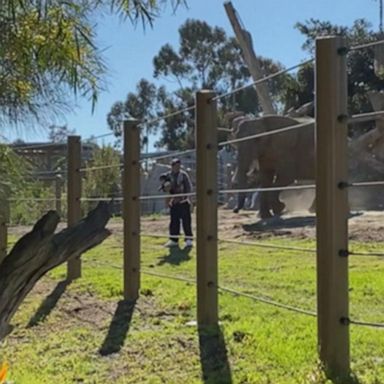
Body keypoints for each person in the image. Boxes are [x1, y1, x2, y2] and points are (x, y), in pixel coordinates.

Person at [159, 158, 193, 248]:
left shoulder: (183, 175)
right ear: (172, 166)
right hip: (173, 202)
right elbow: (164, 188)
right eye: (175, 165)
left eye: (178, 165)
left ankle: (189, 240)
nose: (177, 167)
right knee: (174, 222)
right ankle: (174, 240)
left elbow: (188, 187)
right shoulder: (168, 176)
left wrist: (187, 198)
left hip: (183, 201)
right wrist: (165, 186)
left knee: (186, 222)